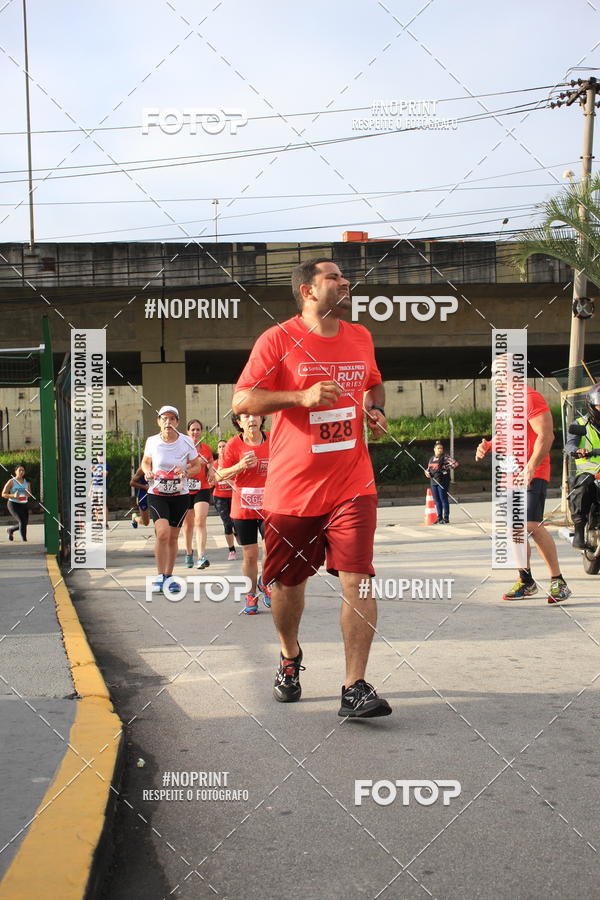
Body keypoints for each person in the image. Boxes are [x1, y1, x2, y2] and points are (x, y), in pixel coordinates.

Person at [232, 257, 392, 718]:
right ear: (307, 291)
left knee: (359, 579)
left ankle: (354, 685)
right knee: (286, 584)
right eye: (334, 278)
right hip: (293, 489)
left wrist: (375, 410)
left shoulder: (360, 336)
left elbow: (373, 385)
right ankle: (289, 655)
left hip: (352, 483)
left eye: (344, 277)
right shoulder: (278, 340)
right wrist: (300, 397)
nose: (346, 282)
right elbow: (243, 399)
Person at [476, 360, 571, 604]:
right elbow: (506, 436)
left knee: (530, 524)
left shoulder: (529, 397)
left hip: (531, 473)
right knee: (514, 530)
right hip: (510, 476)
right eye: (493, 372)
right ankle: (526, 580)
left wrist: (530, 467)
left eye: (499, 372)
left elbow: (546, 434)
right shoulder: (506, 404)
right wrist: (488, 446)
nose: (494, 377)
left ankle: (558, 581)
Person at [141, 406, 203, 595]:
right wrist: (147, 471)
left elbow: (197, 466)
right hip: (157, 493)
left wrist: (185, 472)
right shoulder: (152, 441)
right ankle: (159, 575)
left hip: (180, 495)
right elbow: (145, 461)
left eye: (172, 419)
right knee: (162, 533)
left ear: (177, 422)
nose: (168, 422)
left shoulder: (186, 442)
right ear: (159, 422)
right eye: (164, 419)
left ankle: (169, 576)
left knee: (174, 537)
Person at [217, 414, 270, 614]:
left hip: (269, 506)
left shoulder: (273, 439)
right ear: (239, 422)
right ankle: (251, 594)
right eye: (245, 416)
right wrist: (240, 466)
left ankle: (265, 581)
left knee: (271, 548)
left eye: (255, 415)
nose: (251, 419)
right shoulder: (232, 445)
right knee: (250, 555)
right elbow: (218, 475)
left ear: (262, 418)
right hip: (243, 508)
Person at [565, 382, 600, 548]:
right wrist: (577, 450)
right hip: (590, 473)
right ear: (592, 405)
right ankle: (579, 529)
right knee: (582, 488)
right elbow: (569, 445)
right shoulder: (580, 424)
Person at [182, 419, 214, 569]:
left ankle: (201, 556)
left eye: (198, 429)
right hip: (185, 489)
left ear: (201, 431)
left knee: (200, 521)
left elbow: (211, 461)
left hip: (202, 487)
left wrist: (211, 471)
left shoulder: (206, 448)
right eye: (192, 430)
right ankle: (189, 552)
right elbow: (178, 466)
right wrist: (195, 464)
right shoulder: (182, 449)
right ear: (188, 432)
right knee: (188, 525)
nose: (195, 432)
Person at [212, 438, 237, 561]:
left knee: (236, 524)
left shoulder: (234, 463)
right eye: (220, 447)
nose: (222, 449)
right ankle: (231, 550)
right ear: (217, 450)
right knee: (227, 523)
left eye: (224, 446)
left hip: (234, 497)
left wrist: (230, 479)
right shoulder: (214, 464)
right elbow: (210, 481)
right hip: (219, 498)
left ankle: (239, 537)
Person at [425, 441, 458, 523]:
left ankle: (446, 518)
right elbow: (427, 470)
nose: (440, 450)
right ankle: (439, 518)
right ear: (434, 449)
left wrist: (446, 466)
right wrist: (426, 473)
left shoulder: (445, 457)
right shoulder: (431, 459)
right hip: (433, 481)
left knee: (443, 499)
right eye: (438, 448)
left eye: (441, 448)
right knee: (436, 500)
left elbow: (455, 464)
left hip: (443, 481)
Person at [3, 464, 30, 541]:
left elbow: (29, 493)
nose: (21, 472)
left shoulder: (26, 482)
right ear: (15, 472)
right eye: (19, 470)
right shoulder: (11, 481)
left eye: (23, 470)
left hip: (24, 504)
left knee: (24, 523)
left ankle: (10, 530)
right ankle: (24, 540)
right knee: (21, 521)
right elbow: (3, 494)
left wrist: (28, 494)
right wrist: (13, 495)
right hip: (13, 504)